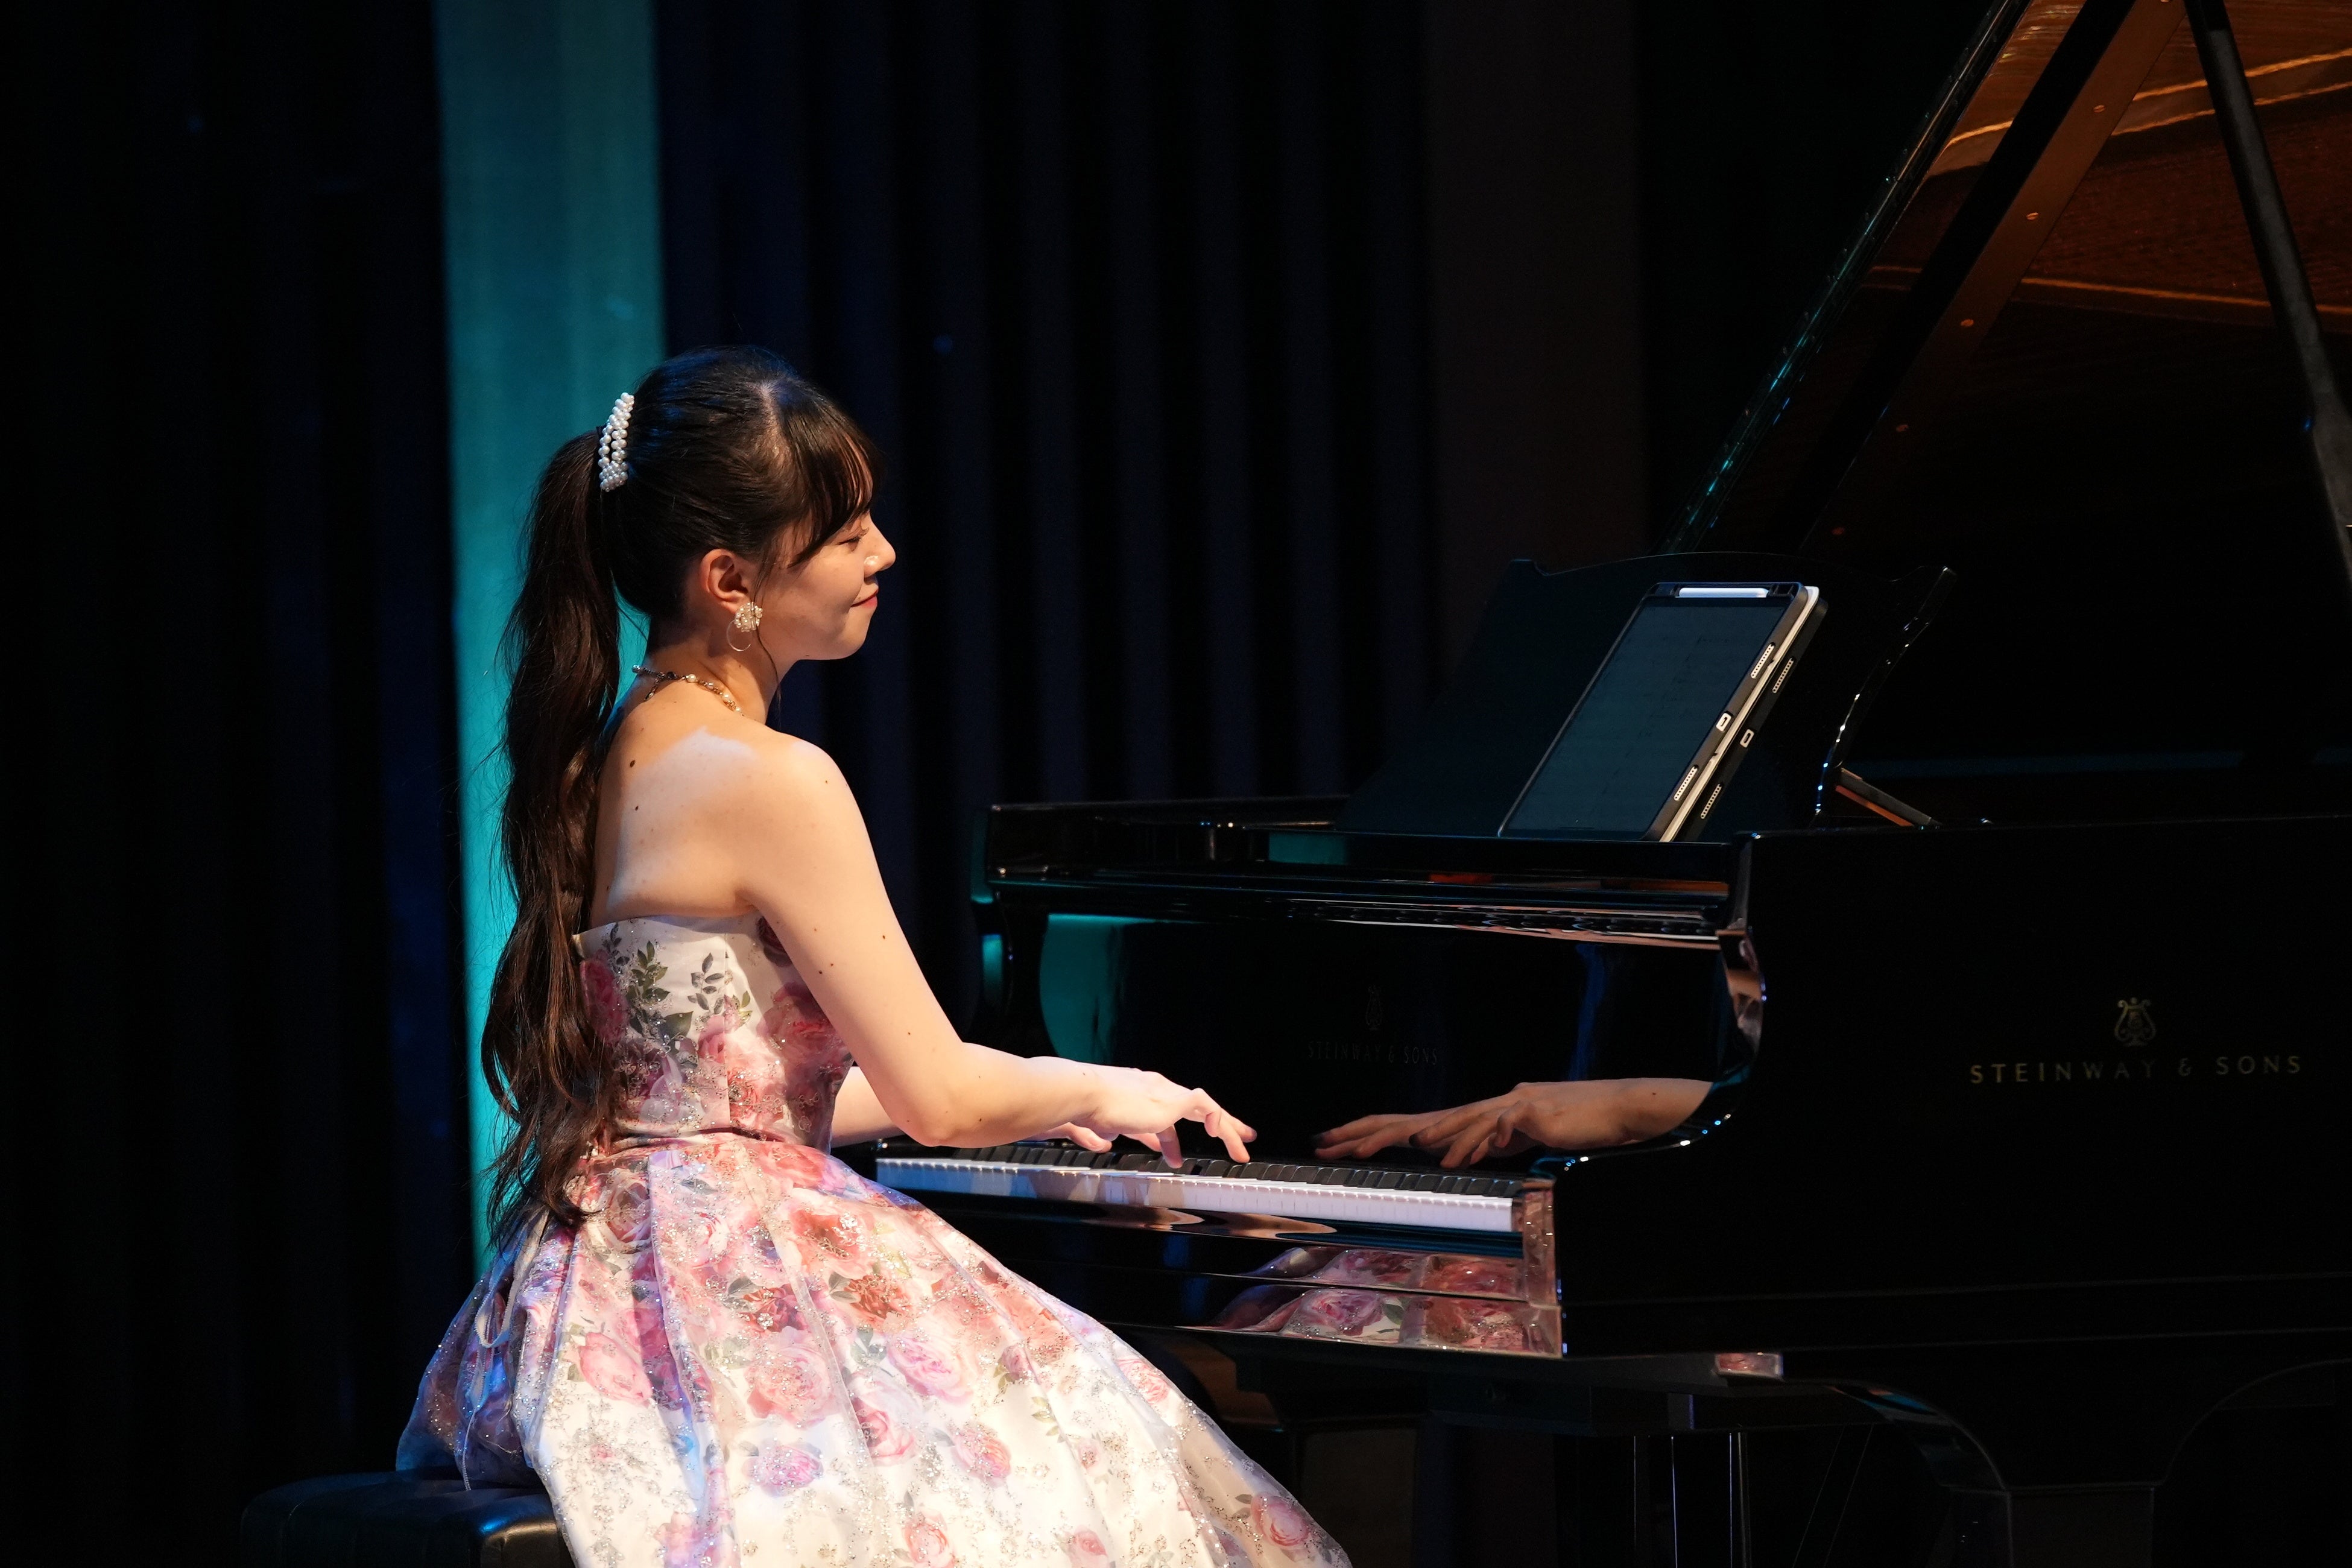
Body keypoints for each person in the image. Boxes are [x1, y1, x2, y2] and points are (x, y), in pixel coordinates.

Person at [400, 347, 1348, 1568]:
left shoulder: (599, 758)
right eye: (845, 534)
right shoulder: (771, 779)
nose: (884, 553)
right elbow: (940, 1099)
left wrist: (1043, 1100)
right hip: (728, 1286)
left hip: (595, 1282)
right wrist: (1106, 1084)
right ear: (731, 580)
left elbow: (721, 1100)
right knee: (1111, 1478)